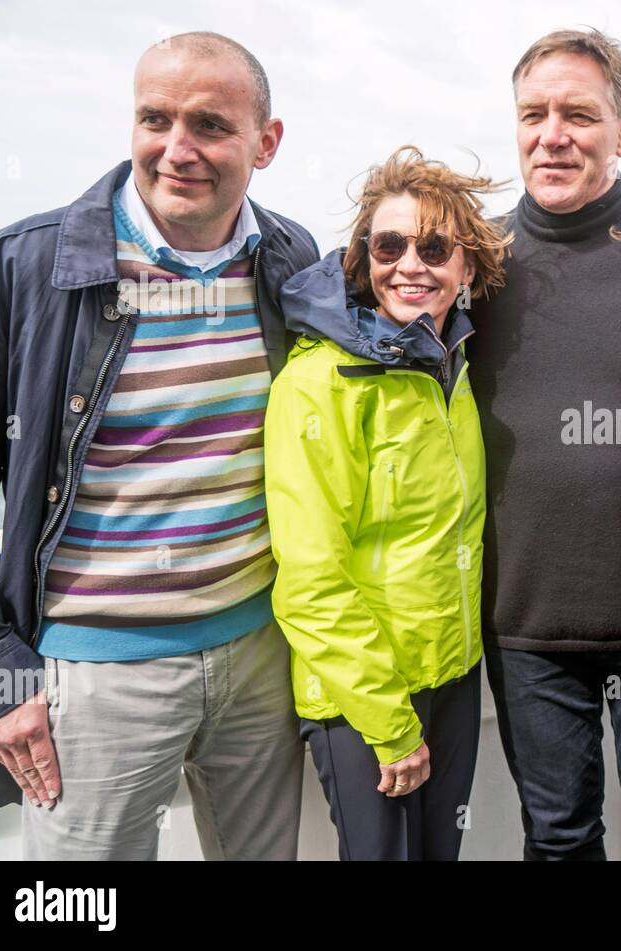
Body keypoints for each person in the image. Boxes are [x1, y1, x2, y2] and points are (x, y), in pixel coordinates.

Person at [0, 32, 318, 859]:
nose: (176, 148)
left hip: (263, 658)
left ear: (266, 142)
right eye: (155, 119)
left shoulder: (290, 259)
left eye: (210, 125)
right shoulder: (25, 265)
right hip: (91, 680)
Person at [467, 29, 621, 860]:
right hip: (525, 617)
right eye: (533, 115)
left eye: (578, 114)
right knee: (559, 839)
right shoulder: (475, 264)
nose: (552, 135)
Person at [265, 147, 508, 861]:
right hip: (364, 700)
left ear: (467, 269)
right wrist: (389, 723)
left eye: (434, 248)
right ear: (362, 258)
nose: (409, 265)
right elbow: (311, 577)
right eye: (389, 245)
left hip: (452, 678)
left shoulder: (450, 367)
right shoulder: (320, 383)